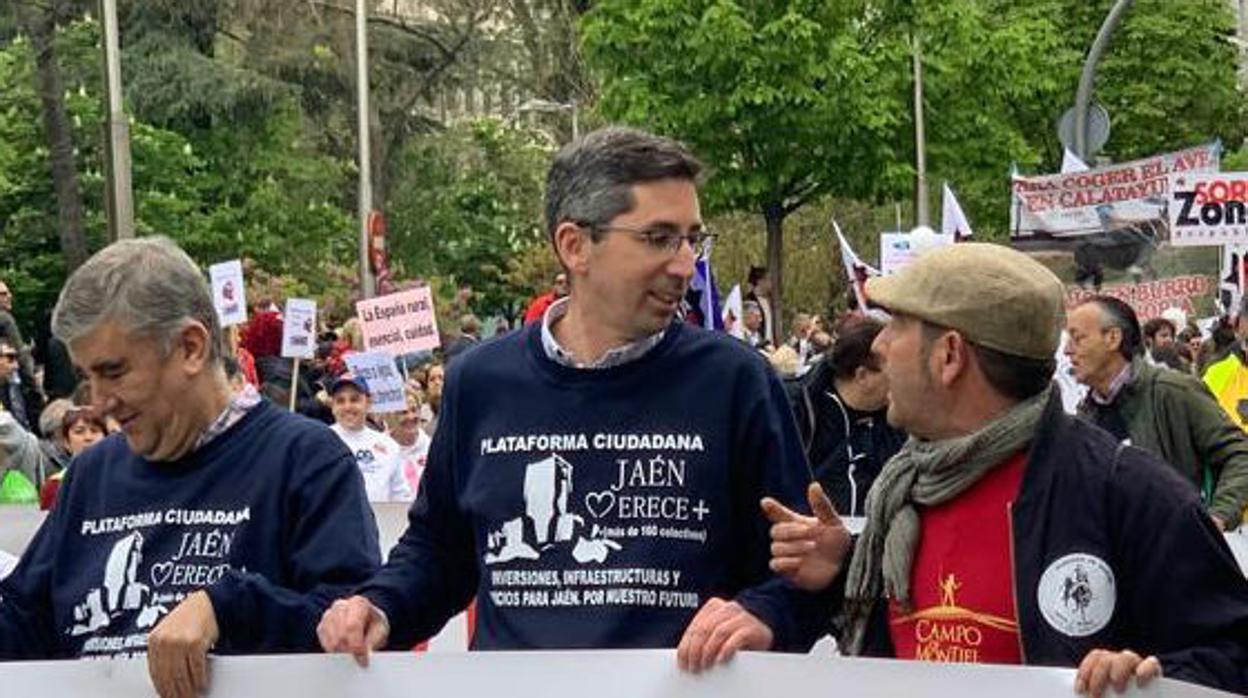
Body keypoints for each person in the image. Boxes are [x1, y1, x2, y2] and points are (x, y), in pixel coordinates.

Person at [317, 126, 823, 671]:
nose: (684, 265)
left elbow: (798, 575)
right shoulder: (479, 382)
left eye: (692, 239)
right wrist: (378, 606)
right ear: (574, 245)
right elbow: (441, 551)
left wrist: (763, 613)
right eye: (658, 238)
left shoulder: (736, 382)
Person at [762, 243, 1248, 697]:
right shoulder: (904, 489)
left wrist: (1152, 677)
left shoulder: (1129, 494)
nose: (880, 347)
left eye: (896, 327)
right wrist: (839, 573)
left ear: (949, 355)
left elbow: (1230, 654)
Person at [0, 237, 381, 698]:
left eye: (114, 372)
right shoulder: (92, 473)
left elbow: (357, 627)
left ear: (191, 347)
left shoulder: (306, 460)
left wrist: (226, 609)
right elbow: (25, 622)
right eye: (87, 378)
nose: (98, 404)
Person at [1067, 296, 1248, 530]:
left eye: (1077, 338)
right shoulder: (1084, 417)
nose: (1067, 350)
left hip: (1177, 555)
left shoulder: (1173, 391)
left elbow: (1239, 453)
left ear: (1113, 338)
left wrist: (1217, 518)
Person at [790, 316, 905, 518]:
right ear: (862, 376)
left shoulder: (900, 418)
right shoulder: (800, 410)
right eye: (892, 372)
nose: (900, 379)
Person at [329, 374, 413, 502]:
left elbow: (400, 495)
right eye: (340, 401)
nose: (347, 407)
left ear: (368, 402)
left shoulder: (388, 445)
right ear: (332, 406)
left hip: (380, 520)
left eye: (354, 399)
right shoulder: (320, 442)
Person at [38, 405, 107, 510]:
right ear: (66, 442)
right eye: (79, 432)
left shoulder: (122, 478)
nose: (88, 438)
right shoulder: (55, 485)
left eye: (94, 431)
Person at [744, 265, 775, 347]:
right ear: (760, 281)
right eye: (769, 279)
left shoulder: (768, 301)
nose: (771, 283)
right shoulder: (749, 300)